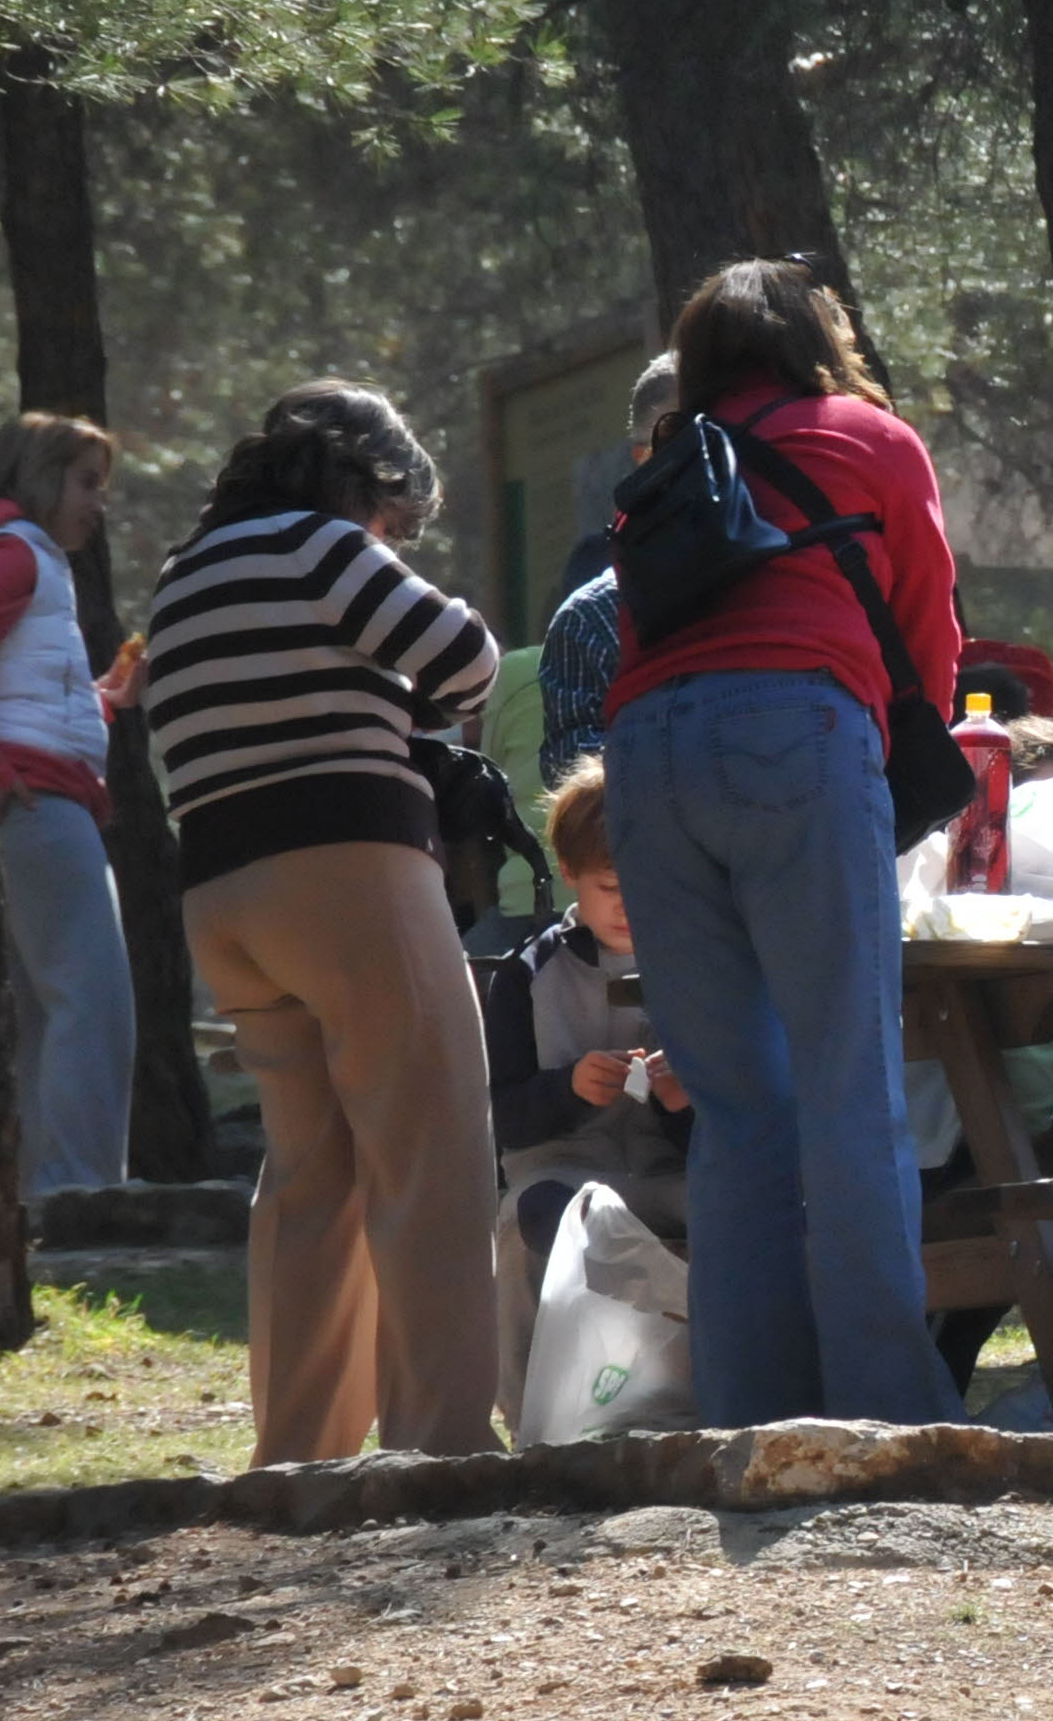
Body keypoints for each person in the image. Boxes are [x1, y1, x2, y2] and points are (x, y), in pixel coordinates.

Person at [600, 261, 963, 1430]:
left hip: (645, 759)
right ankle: (883, 1416)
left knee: (737, 1104)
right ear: (820, 335)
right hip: (796, 729)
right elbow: (926, 625)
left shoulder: (664, 461)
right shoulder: (869, 433)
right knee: (849, 1089)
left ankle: (749, 1416)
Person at [142, 382, 504, 1466]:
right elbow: (467, 656)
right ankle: (440, 1446)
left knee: (311, 1172)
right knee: (431, 1150)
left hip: (221, 891)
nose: (391, 537)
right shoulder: (319, 547)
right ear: (367, 481)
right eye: (395, 517)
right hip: (346, 870)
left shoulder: (183, 576)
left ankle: (299, 1452)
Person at [0, 411, 139, 1201]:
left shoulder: (21, 556)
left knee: (44, 1009)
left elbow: (10, 687)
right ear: (38, 476)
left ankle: (43, 1191)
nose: (97, 503)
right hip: (35, 805)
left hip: (34, 798)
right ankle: (81, 1189)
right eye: (86, 483)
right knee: (93, 997)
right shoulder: (12, 557)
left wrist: (100, 701)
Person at [481, 757, 688, 1405]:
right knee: (525, 1226)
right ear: (570, 874)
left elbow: (735, 1116)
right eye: (608, 886)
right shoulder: (527, 977)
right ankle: (525, 1419)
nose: (627, 906)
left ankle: (703, 1395)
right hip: (563, 1175)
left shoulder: (692, 964)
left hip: (667, 1179)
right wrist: (567, 1090)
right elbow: (500, 1119)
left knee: (745, 1214)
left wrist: (683, 1103)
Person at [534, 351, 677, 787]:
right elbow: (579, 805)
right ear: (641, 455)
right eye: (679, 433)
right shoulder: (589, 621)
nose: (707, 450)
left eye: (725, 431)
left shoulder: (795, 577)